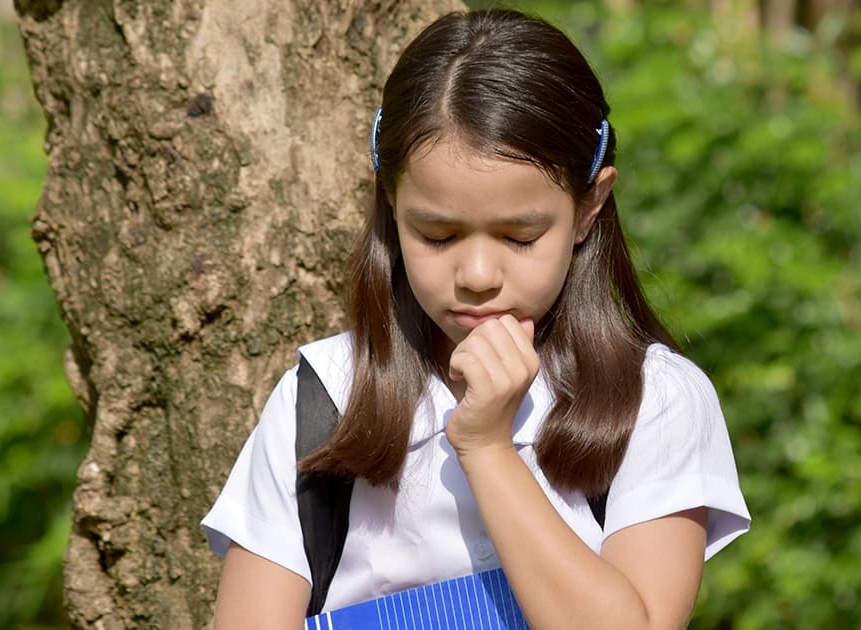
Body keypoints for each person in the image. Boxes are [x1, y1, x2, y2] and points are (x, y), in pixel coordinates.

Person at [201, 8, 750, 629]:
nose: (478, 274)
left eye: (520, 237)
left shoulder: (652, 402)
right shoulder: (326, 397)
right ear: (390, 199)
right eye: (437, 235)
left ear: (590, 205)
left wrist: (487, 449)